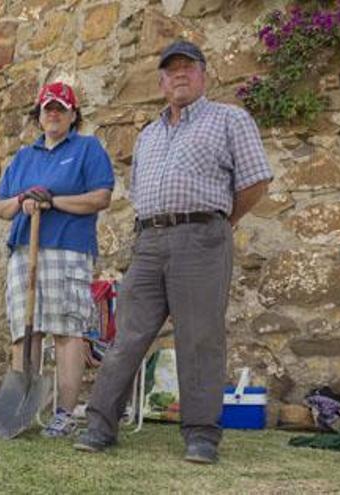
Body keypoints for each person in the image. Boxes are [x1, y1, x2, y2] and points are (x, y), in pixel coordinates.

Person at [74, 40, 273, 463]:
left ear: (204, 74)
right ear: (161, 81)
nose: (179, 74)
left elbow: (256, 182)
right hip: (148, 241)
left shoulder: (229, 119)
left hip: (202, 236)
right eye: (171, 69)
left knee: (200, 338)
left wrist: (222, 222)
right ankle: (99, 425)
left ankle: (201, 436)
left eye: (188, 67)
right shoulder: (148, 134)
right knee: (126, 336)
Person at [0, 81, 115, 437]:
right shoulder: (23, 157)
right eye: (48, 108)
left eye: (61, 108)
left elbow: (101, 197)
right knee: (24, 331)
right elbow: (2, 207)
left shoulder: (87, 148)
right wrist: (23, 201)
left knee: (67, 330)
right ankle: (23, 410)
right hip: (23, 250)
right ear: (39, 114)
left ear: (73, 114)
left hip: (68, 247)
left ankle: (64, 413)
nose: (53, 114)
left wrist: (53, 201)